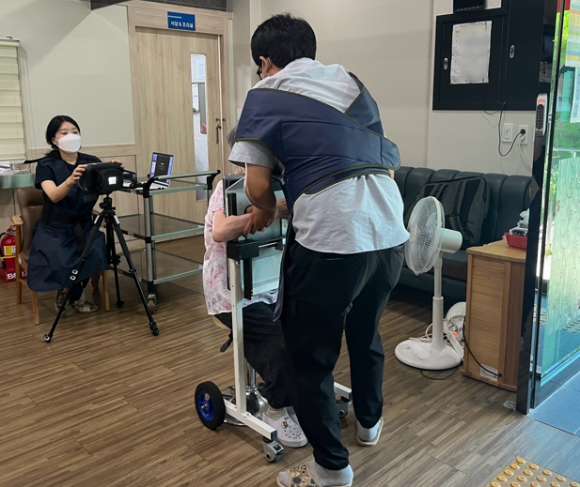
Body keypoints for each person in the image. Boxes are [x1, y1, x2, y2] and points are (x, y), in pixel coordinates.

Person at [230, 14, 409, 487]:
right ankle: (369, 423)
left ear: (265, 60)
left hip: (332, 241)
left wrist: (265, 210)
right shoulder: (352, 85)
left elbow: (256, 186)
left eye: (259, 65)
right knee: (365, 332)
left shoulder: (265, 94)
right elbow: (373, 162)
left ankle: (331, 467)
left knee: (308, 357)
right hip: (389, 228)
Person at [202, 127, 307, 449]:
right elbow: (220, 231)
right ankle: (276, 408)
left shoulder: (285, 185)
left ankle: (295, 393)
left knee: (307, 331)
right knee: (279, 340)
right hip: (232, 293)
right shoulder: (228, 188)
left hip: (274, 284)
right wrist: (271, 211)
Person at [27, 115, 109, 314]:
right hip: (54, 229)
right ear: (54, 140)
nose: (71, 136)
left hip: (85, 225)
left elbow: (104, 187)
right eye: (64, 133)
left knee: (95, 250)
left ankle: (71, 292)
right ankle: (73, 294)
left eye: (75, 132)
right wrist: (70, 180)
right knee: (62, 258)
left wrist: (112, 170)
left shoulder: (91, 162)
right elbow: (54, 195)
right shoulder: (46, 165)